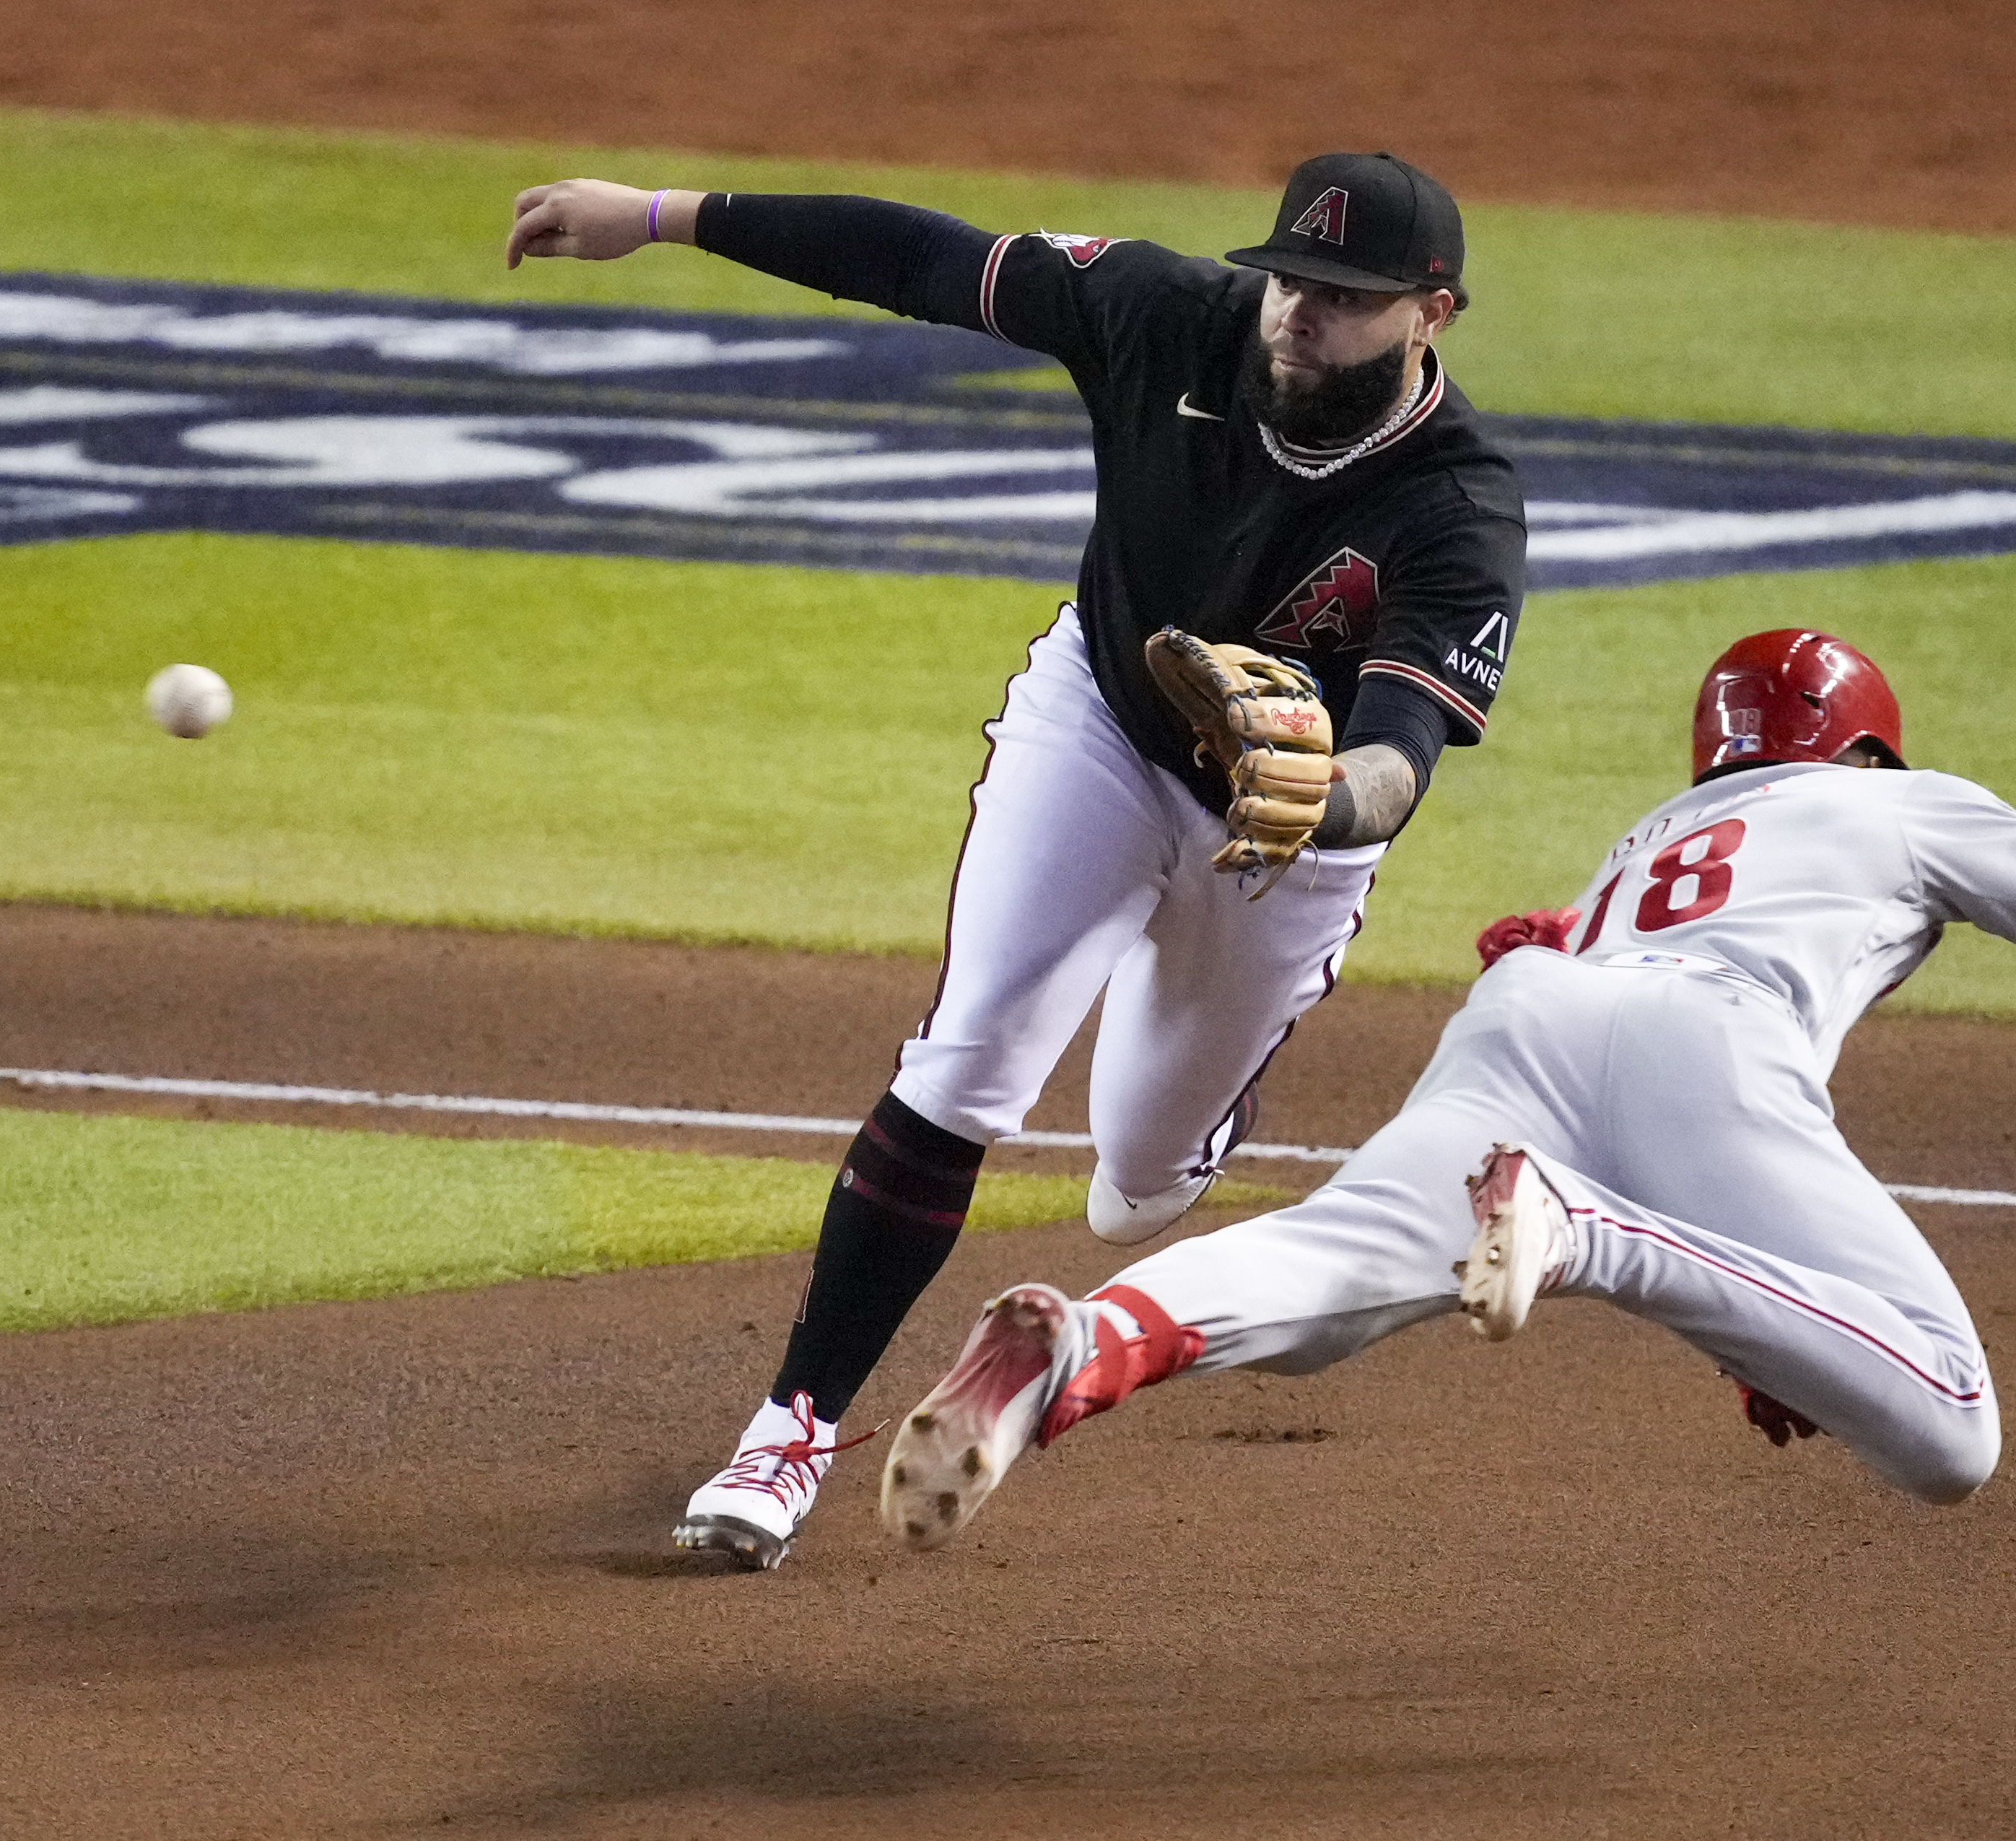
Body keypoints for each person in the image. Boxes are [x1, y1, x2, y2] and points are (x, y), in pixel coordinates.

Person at [505, 153, 1528, 1568]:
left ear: (1433, 313)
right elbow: (925, 259)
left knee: (1141, 1183)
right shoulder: (1165, 312)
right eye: (1292, 277)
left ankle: (1189, 1131)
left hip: (1282, 854)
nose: (1300, 313)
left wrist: (1318, 799)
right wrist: (662, 217)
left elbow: (1401, 750)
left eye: (1347, 299)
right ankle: (785, 1435)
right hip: (1101, 729)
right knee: (970, 1055)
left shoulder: (1456, 505)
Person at [873, 628, 2016, 1549]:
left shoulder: (1650, 840)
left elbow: (1626, 1074)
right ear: (1871, 752)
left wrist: (1754, 1314)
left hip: (1532, 1016)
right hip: (1692, 1067)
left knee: (1329, 1279)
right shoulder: (1899, 810)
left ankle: (1081, 1347)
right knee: (1950, 1431)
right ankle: (1587, 1238)